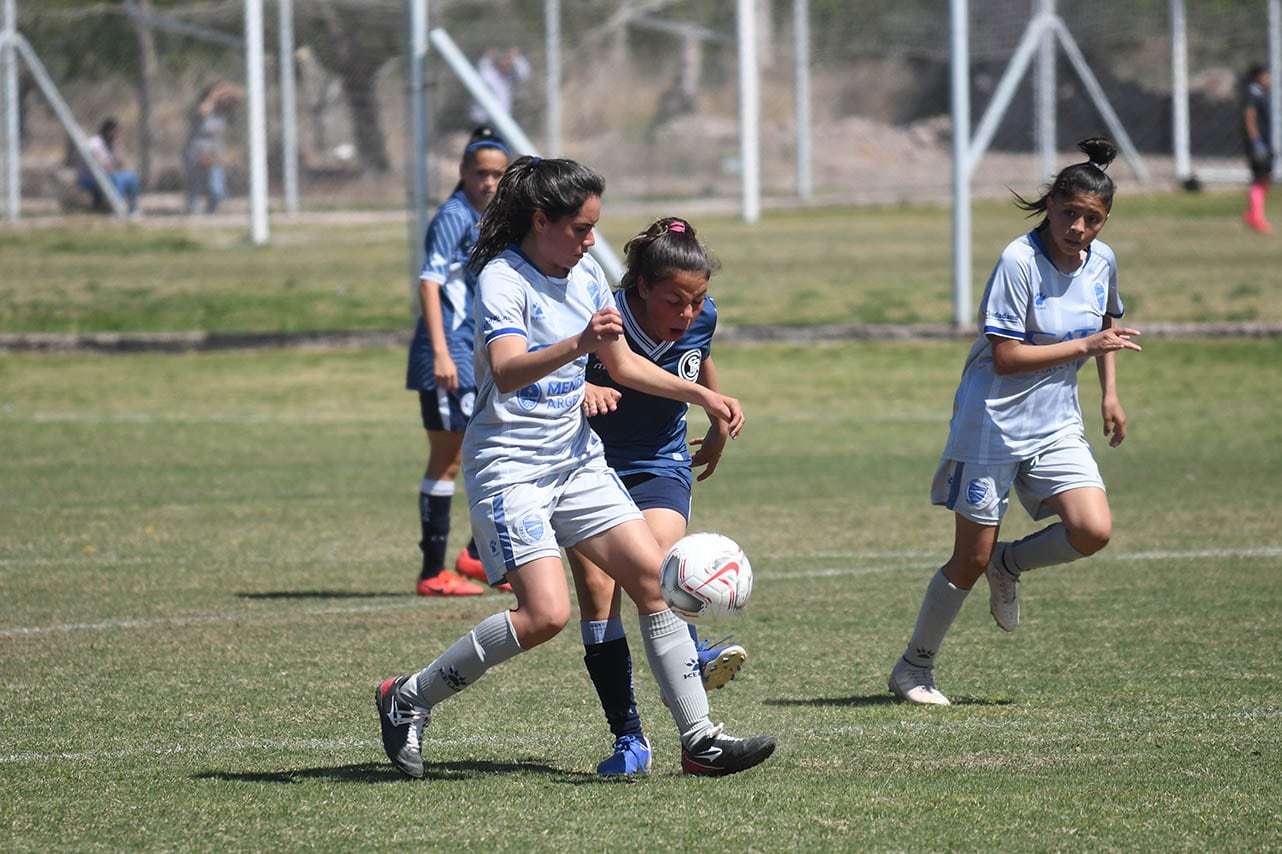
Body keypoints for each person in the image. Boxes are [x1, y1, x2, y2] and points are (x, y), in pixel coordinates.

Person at [375, 155, 776, 779]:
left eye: (594, 227)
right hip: (511, 468)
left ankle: (700, 741)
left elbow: (622, 366)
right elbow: (507, 371)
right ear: (542, 220)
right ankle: (409, 698)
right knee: (546, 616)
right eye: (582, 228)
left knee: (655, 582)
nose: (593, 241)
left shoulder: (585, 272)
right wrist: (576, 344)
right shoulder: (502, 281)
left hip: (577, 459)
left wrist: (701, 395)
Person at [887, 138, 1143, 707]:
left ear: (1104, 221)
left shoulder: (1102, 261)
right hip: (992, 423)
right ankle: (913, 668)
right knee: (967, 559)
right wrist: (1086, 343)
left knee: (1091, 530)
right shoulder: (1018, 261)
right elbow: (1005, 358)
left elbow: (1108, 325)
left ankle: (1011, 562)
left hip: (1056, 424)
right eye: (1069, 212)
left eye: (1092, 219)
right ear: (1049, 204)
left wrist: (1110, 395)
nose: (1078, 227)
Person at [567, 216, 748, 776]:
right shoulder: (603, 316)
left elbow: (700, 354)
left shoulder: (700, 317)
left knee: (659, 564)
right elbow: (550, 377)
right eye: (676, 301)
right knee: (599, 596)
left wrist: (716, 416)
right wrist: (585, 388)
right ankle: (630, 739)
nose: (689, 313)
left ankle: (692, 674)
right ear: (641, 286)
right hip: (586, 466)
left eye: (698, 300)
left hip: (658, 462)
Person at [407, 127, 511, 597]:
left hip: (473, 355)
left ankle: (473, 556)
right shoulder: (453, 216)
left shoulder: (490, 220)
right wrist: (443, 354)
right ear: (463, 173)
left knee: (494, 449)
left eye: (497, 174)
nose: (488, 182)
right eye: (480, 173)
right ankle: (432, 573)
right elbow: (430, 283)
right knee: (447, 462)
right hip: (446, 354)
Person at [184, 81, 244, 215]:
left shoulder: (224, 111)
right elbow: (203, 111)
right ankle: (192, 211)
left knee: (216, 188)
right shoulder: (205, 107)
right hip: (196, 151)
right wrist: (214, 95)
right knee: (195, 184)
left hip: (214, 153)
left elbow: (242, 96)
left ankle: (212, 212)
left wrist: (228, 90)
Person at [77, 119, 140, 216]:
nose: (115, 135)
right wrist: (113, 165)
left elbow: (123, 164)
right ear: (107, 131)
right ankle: (116, 208)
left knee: (131, 177)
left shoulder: (112, 144)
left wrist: (117, 148)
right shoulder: (95, 142)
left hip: (110, 175)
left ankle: (133, 210)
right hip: (90, 177)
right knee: (117, 179)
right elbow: (100, 164)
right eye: (114, 132)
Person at [1241, 63, 1274, 234]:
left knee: (1264, 178)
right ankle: (1257, 218)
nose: (1269, 79)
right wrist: (1256, 141)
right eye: (1267, 75)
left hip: (1264, 142)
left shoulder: (1260, 93)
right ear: (1258, 76)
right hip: (1257, 144)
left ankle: (1251, 215)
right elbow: (1249, 116)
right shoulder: (1253, 93)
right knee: (1260, 178)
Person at [468, 47, 531, 125]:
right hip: (483, 118)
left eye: (509, 63)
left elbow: (524, 73)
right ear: (498, 63)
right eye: (504, 62)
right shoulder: (490, 75)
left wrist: (516, 57)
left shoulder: (510, 78)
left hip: (501, 119)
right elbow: (483, 68)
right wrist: (488, 57)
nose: (507, 65)